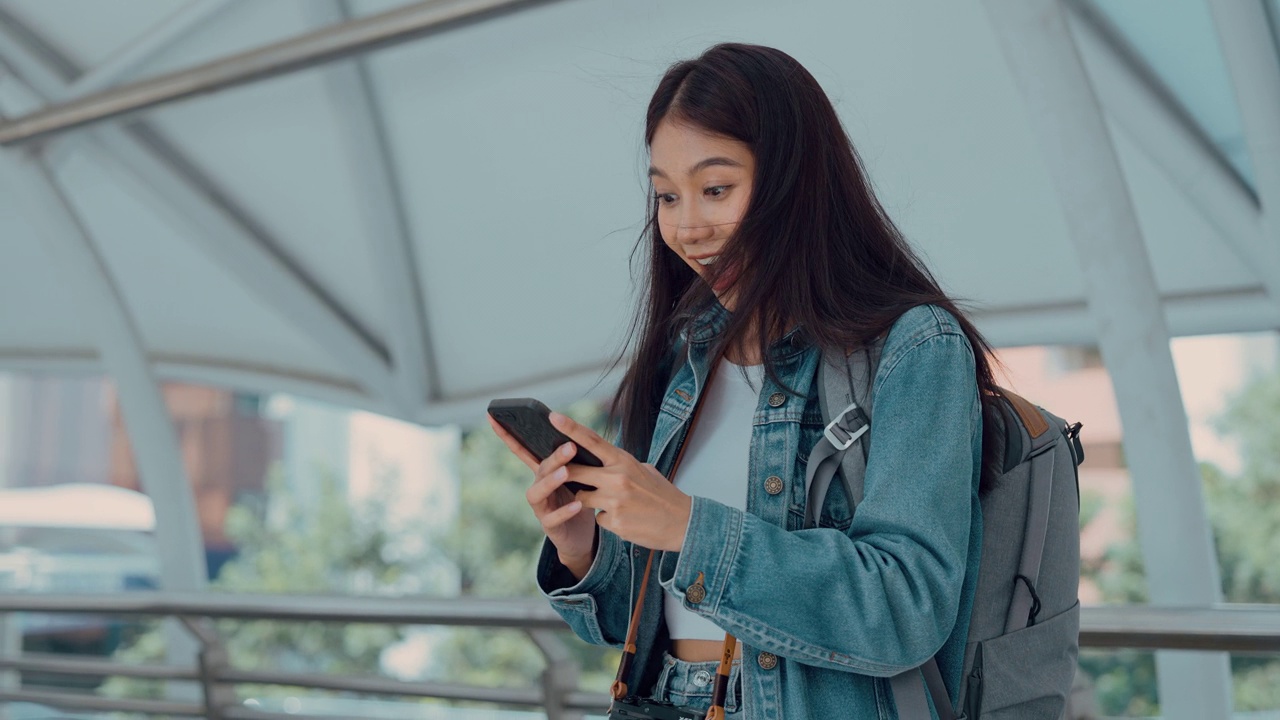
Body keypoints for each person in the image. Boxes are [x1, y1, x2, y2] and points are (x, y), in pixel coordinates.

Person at [489, 43, 1003, 719]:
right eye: (667, 195)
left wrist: (689, 527)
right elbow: (634, 624)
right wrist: (580, 544)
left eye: (716, 189)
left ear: (796, 180)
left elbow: (906, 607)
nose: (688, 227)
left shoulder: (912, 346)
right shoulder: (686, 354)